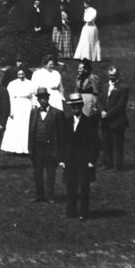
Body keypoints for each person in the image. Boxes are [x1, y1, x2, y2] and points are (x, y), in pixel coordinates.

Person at [59, 93, 100, 221]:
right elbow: (62, 142)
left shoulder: (89, 122)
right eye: (73, 106)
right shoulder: (67, 122)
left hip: (83, 161)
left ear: (81, 106)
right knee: (70, 187)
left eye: (77, 105)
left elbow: (95, 143)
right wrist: (62, 159)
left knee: (83, 188)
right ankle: (70, 212)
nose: (75, 108)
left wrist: (91, 161)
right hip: (70, 161)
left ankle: (84, 213)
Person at [27, 87, 63, 203]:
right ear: (37, 100)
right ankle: (39, 194)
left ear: (48, 98)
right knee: (37, 173)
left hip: (50, 148)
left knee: (50, 173)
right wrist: (30, 148)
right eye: (40, 98)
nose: (42, 100)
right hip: (37, 148)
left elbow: (60, 134)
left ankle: (50, 195)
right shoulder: (34, 112)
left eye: (44, 98)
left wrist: (57, 151)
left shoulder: (57, 113)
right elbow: (30, 130)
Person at [99, 65, 130, 170]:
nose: (111, 77)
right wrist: (101, 111)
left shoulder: (123, 88)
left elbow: (120, 106)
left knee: (118, 144)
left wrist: (108, 114)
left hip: (117, 120)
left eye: (113, 75)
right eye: (110, 75)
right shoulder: (104, 86)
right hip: (105, 120)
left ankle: (118, 165)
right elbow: (99, 100)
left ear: (118, 75)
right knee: (106, 143)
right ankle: (107, 164)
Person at [1, 66, 34, 155]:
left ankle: (27, 148)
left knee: (26, 126)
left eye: (22, 74)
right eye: (19, 74)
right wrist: (10, 111)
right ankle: (15, 148)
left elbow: (34, 96)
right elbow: (9, 98)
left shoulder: (31, 83)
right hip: (16, 106)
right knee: (16, 127)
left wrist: (33, 106)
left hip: (27, 106)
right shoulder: (12, 84)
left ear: (25, 74)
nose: (21, 76)